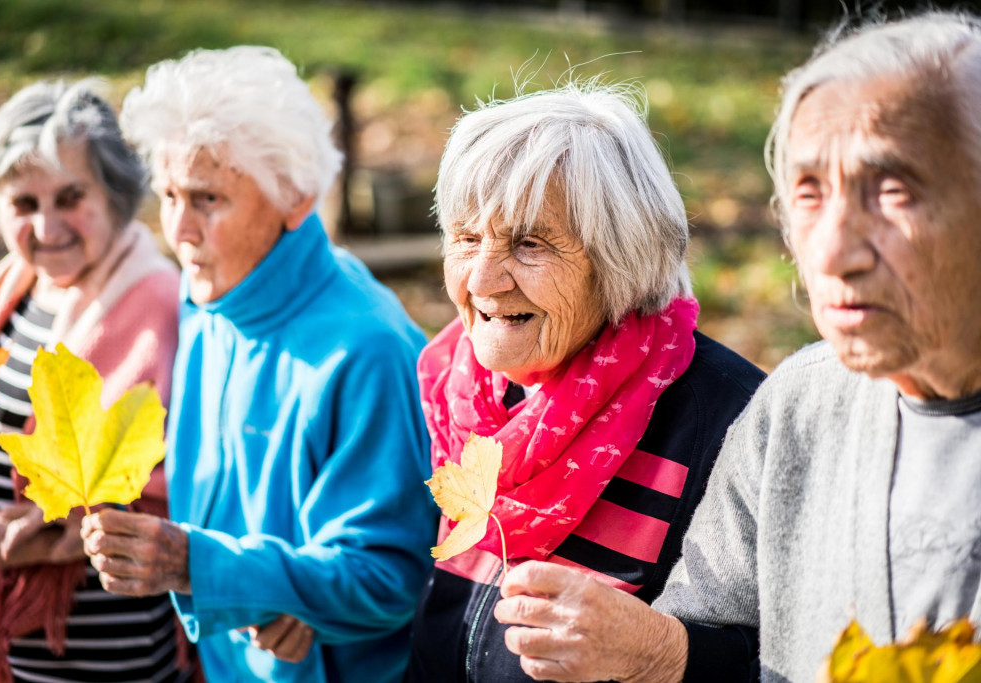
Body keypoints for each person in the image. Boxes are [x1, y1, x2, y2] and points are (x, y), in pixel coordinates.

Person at [489, 11, 981, 683]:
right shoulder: (797, 407)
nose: (832, 250)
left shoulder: (727, 396)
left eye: (892, 190)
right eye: (809, 191)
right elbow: (717, 631)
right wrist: (654, 649)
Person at [78, 46, 438, 683]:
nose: (179, 230)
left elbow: (389, 579)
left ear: (295, 198)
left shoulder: (365, 348)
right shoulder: (209, 299)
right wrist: (278, 589)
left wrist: (205, 568)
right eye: (168, 195)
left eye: (208, 198)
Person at [404, 82, 765, 683]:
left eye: (529, 243)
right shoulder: (453, 392)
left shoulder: (734, 424)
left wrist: (662, 653)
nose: (485, 279)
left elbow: (810, 657)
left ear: (621, 258)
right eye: (467, 239)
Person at [0, 81, 184, 681]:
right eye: (23, 203)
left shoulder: (161, 303)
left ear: (114, 194)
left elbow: (181, 486)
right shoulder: (10, 289)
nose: (47, 224)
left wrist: (49, 521)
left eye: (69, 196)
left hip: (95, 649)